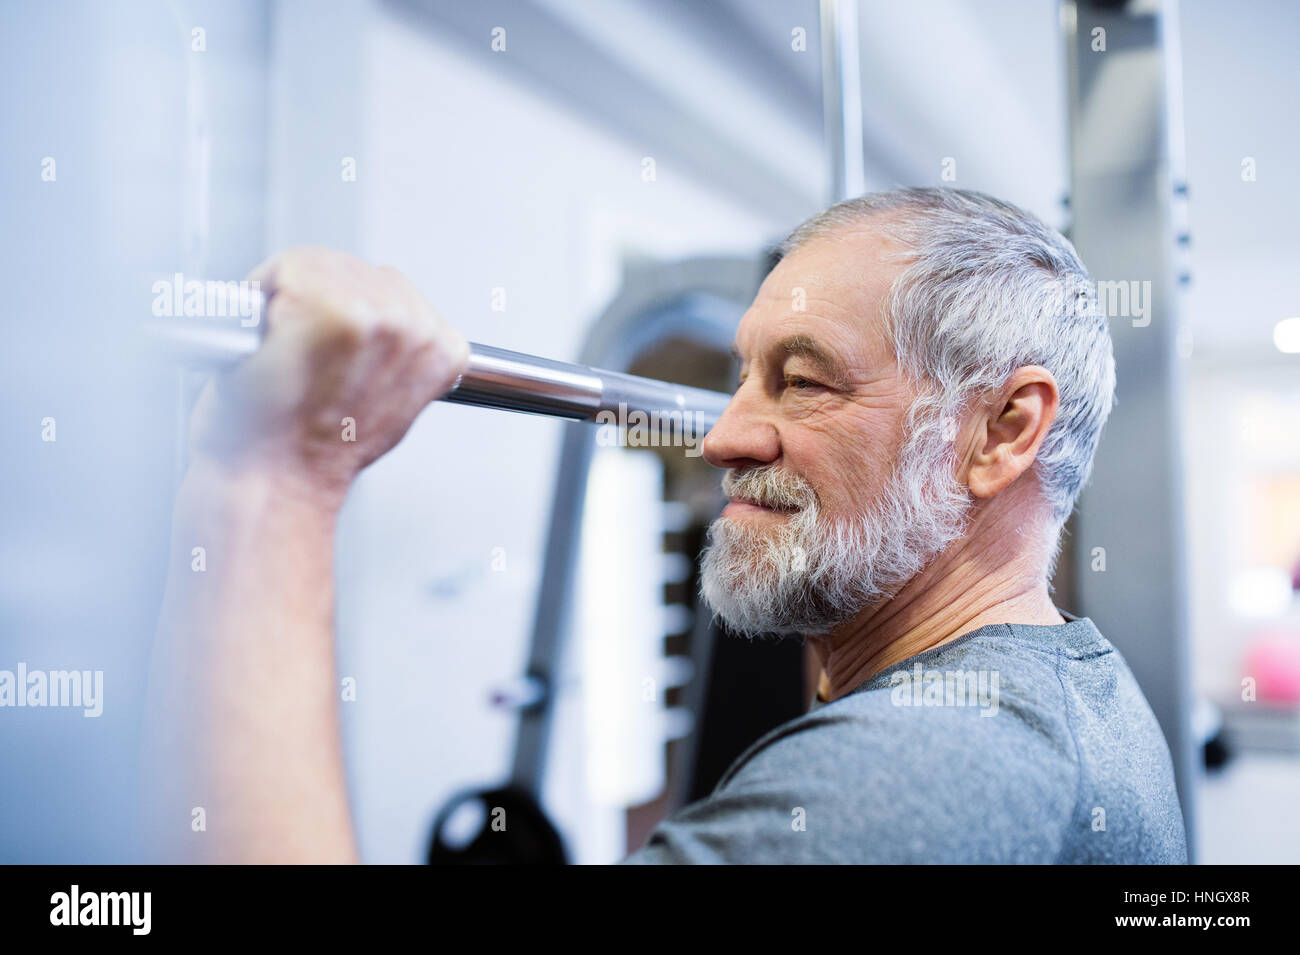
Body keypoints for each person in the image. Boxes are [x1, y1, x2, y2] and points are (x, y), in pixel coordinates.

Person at [143, 187, 1188, 864]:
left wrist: (274, 477)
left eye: (802, 380)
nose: (724, 435)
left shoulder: (933, 767)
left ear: (1001, 430)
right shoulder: (1069, 692)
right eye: (744, 372)